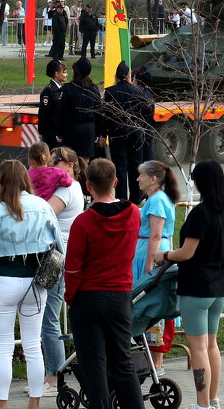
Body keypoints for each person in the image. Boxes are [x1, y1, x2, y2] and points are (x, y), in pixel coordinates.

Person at [0, 160, 62, 409]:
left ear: (2, 181)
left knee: (4, 349)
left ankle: (2, 405)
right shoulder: (43, 206)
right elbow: (58, 245)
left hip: (4, 280)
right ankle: (34, 403)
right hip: (36, 282)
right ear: (26, 179)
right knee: (33, 345)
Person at [64, 159, 143, 409]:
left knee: (93, 364)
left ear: (88, 186)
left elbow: (73, 267)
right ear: (116, 183)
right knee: (123, 360)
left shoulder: (83, 222)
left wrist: (70, 296)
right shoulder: (133, 213)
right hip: (119, 296)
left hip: (88, 297)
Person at [153, 161, 224, 409]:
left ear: (202, 182)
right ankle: (213, 399)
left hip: (196, 289)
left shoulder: (201, 213)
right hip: (218, 288)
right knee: (211, 345)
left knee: (197, 349)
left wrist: (163, 256)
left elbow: (187, 253)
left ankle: (201, 405)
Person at [41, 148, 87, 391]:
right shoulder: (74, 187)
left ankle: (53, 378)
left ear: (69, 164)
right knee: (48, 316)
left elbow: (43, 213)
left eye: (53, 161)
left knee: (48, 318)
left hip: (56, 257)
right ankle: (52, 374)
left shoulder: (65, 189)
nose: (49, 165)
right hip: (61, 255)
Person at [134, 160, 181, 371]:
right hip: (147, 251)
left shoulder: (157, 201)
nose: (137, 179)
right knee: (148, 304)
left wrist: (149, 265)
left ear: (153, 179)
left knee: (152, 303)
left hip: (151, 254)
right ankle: (151, 359)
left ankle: (156, 361)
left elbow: (155, 233)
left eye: (141, 175)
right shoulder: (156, 198)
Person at [103, 61, 156, 202]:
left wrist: (104, 133)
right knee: (135, 166)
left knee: (120, 167)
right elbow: (147, 110)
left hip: (117, 133)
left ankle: (121, 198)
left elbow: (105, 115)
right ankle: (135, 198)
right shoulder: (139, 91)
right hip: (136, 132)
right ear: (128, 75)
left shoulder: (110, 91)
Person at [57, 57, 104, 160]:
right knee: (85, 161)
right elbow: (99, 112)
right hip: (88, 129)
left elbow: (62, 112)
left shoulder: (68, 88)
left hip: (71, 129)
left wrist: (59, 132)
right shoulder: (94, 88)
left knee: (70, 161)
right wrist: (98, 132)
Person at [38, 60, 66, 148]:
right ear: (57, 74)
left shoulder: (64, 89)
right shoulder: (49, 91)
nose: (66, 75)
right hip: (51, 131)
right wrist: (41, 131)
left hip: (60, 131)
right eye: (64, 72)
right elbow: (43, 113)